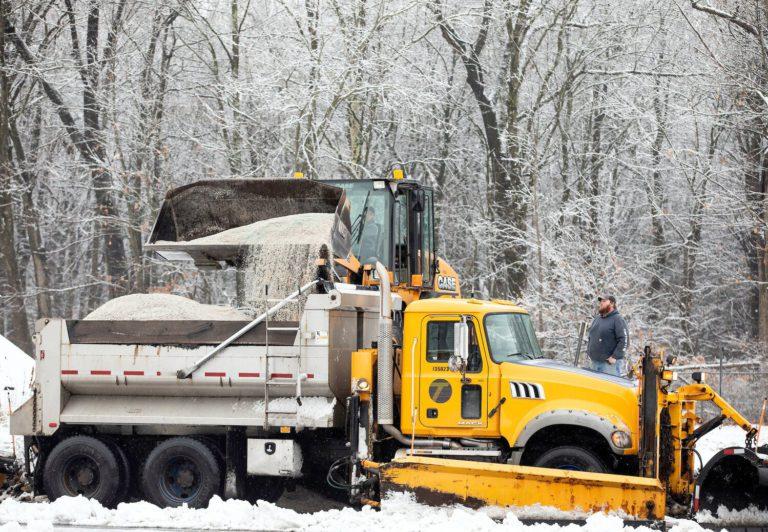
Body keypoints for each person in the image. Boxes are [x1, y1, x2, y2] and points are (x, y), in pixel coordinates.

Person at [586, 295, 628, 376]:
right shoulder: (597, 319)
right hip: (594, 363)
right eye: (600, 301)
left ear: (612, 303)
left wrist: (615, 356)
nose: (601, 303)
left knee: (608, 388)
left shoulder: (618, 319)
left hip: (609, 365)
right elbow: (591, 337)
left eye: (604, 301)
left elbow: (624, 340)